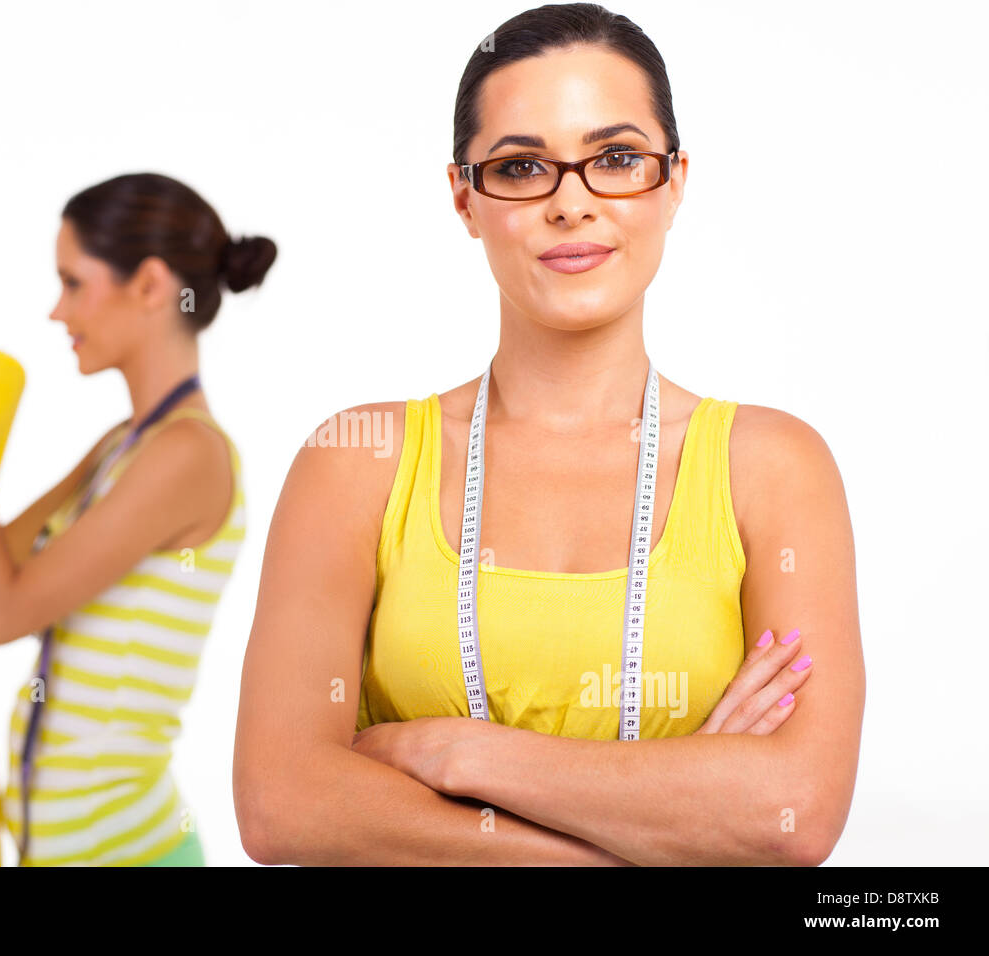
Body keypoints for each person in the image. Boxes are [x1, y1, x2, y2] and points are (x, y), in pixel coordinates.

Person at [233, 3, 863, 866]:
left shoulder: (774, 468)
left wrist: (456, 754)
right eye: (522, 166)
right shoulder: (358, 461)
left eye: (615, 159)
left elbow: (794, 811)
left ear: (674, 181)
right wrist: (668, 816)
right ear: (465, 197)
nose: (572, 203)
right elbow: (280, 805)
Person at [0, 173, 271, 865]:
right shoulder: (124, 445)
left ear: (151, 286)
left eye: (73, 283)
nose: (57, 313)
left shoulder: (189, 455)